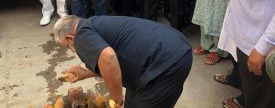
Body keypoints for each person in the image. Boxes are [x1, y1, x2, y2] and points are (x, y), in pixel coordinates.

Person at [53, 14, 192, 108]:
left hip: (167, 61)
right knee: (132, 102)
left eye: (67, 47)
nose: (71, 49)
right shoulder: (94, 23)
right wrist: (86, 73)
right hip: (174, 47)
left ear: (69, 38)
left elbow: (108, 57)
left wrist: (116, 99)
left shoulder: (80, 36)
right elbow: (113, 62)